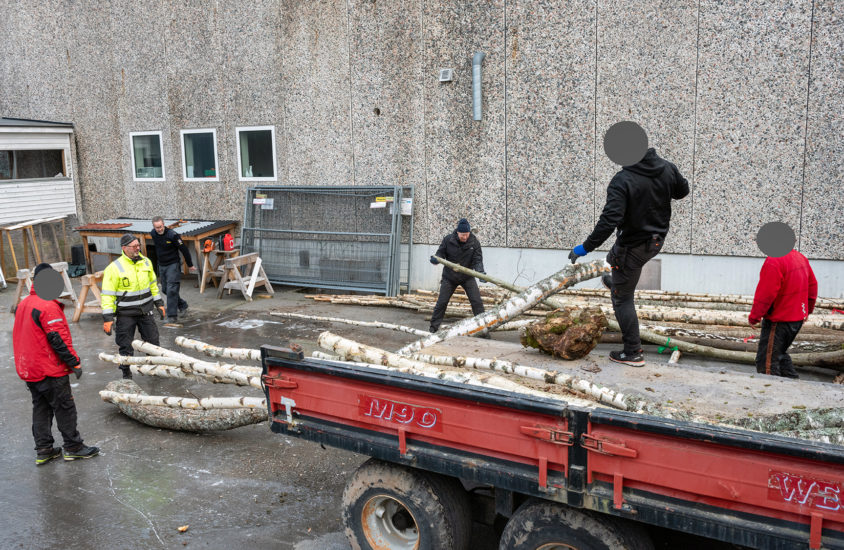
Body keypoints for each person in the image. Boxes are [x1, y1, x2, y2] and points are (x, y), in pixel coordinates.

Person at [569, 147, 689, 367]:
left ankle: (632, 352)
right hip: (655, 240)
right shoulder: (667, 168)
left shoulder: (622, 180)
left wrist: (584, 248)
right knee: (616, 255)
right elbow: (682, 191)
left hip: (634, 246)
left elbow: (609, 220)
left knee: (622, 298)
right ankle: (618, 279)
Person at [13, 263, 99, 464]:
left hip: (29, 368)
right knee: (64, 406)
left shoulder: (25, 303)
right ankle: (73, 446)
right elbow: (57, 339)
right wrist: (74, 363)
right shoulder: (47, 305)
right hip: (49, 368)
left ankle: (44, 449)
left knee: (41, 407)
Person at [101, 233, 166, 379]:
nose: (138, 248)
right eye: (134, 246)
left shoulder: (146, 262)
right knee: (125, 345)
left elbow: (153, 286)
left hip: (145, 312)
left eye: (138, 245)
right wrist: (107, 317)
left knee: (153, 343)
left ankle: (155, 369)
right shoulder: (114, 268)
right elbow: (107, 295)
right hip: (126, 314)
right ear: (124, 248)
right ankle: (126, 373)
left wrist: (159, 303)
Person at [748, 248, 817, 379]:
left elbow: (766, 293)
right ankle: (793, 386)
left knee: (766, 363)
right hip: (796, 320)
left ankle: (772, 394)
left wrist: (754, 317)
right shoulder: (800, 258)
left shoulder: (774, 260)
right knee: (779, 355)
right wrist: (807, 310)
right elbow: (812, 286)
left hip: (779, 321)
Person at [429, 218, 487, 334]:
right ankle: (433, 328)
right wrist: (436, 259)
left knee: (477, 302)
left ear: (469, 233)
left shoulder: (474, 242)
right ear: (457, 232)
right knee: (442, 302)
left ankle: (483, 329)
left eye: (466, 234)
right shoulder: (448, 240)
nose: (464, 237)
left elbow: (477, 260)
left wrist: (480, 272)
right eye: (462, 235)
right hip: (450, 277)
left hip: (467, 276)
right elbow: (440, 253)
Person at [150, 216, 198, 323]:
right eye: (157, 227)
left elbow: (184, 249)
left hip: (173, 264)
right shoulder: (153, 234)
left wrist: (190, 265)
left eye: (161, 227)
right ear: (154, 227)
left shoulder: (173, 235)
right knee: (165, 289)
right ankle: (182, 304)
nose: (159, 229)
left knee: (172, 289)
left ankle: (172, 316)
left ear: (164, 224)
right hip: (162, 265)